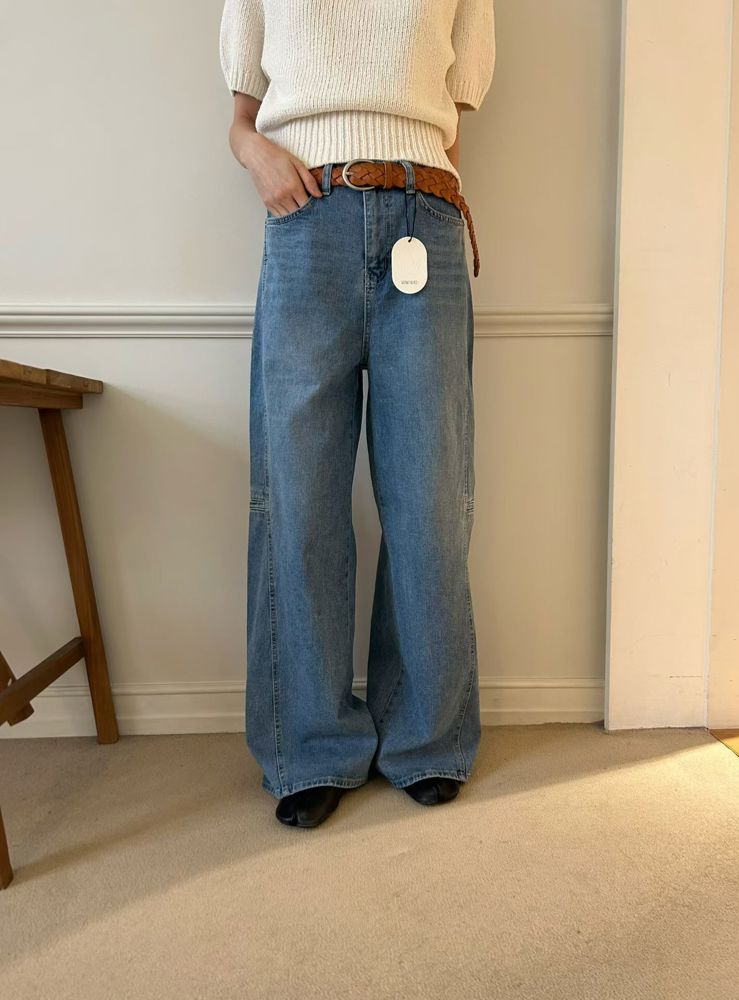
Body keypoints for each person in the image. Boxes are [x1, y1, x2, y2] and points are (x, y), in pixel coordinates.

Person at [219, 0, 496, 828]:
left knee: (429, 500)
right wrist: (258, 155)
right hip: (304, 217)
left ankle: (424, 733)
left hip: (425, 216)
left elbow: (451, 115)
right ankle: (309, 744)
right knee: (297, 496)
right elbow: (240, 115)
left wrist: (434, 196)